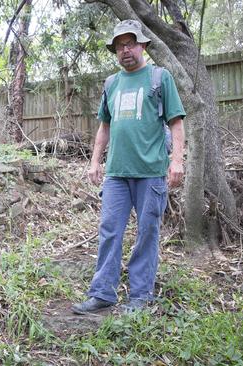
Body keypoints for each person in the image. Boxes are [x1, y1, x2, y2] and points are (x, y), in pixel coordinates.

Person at [71, 19, 186, 315]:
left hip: (150, 174)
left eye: (131, 43)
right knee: (109, 231)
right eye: (120, 45)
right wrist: (95, 160)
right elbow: (104, 126)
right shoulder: (111, 83)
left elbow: (176, 122)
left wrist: (177, 161)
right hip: (116, 175)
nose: (125, 50)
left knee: (147, 233)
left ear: (143, 45)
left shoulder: (160, 78)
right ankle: (102, 293)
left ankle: (141, 296)